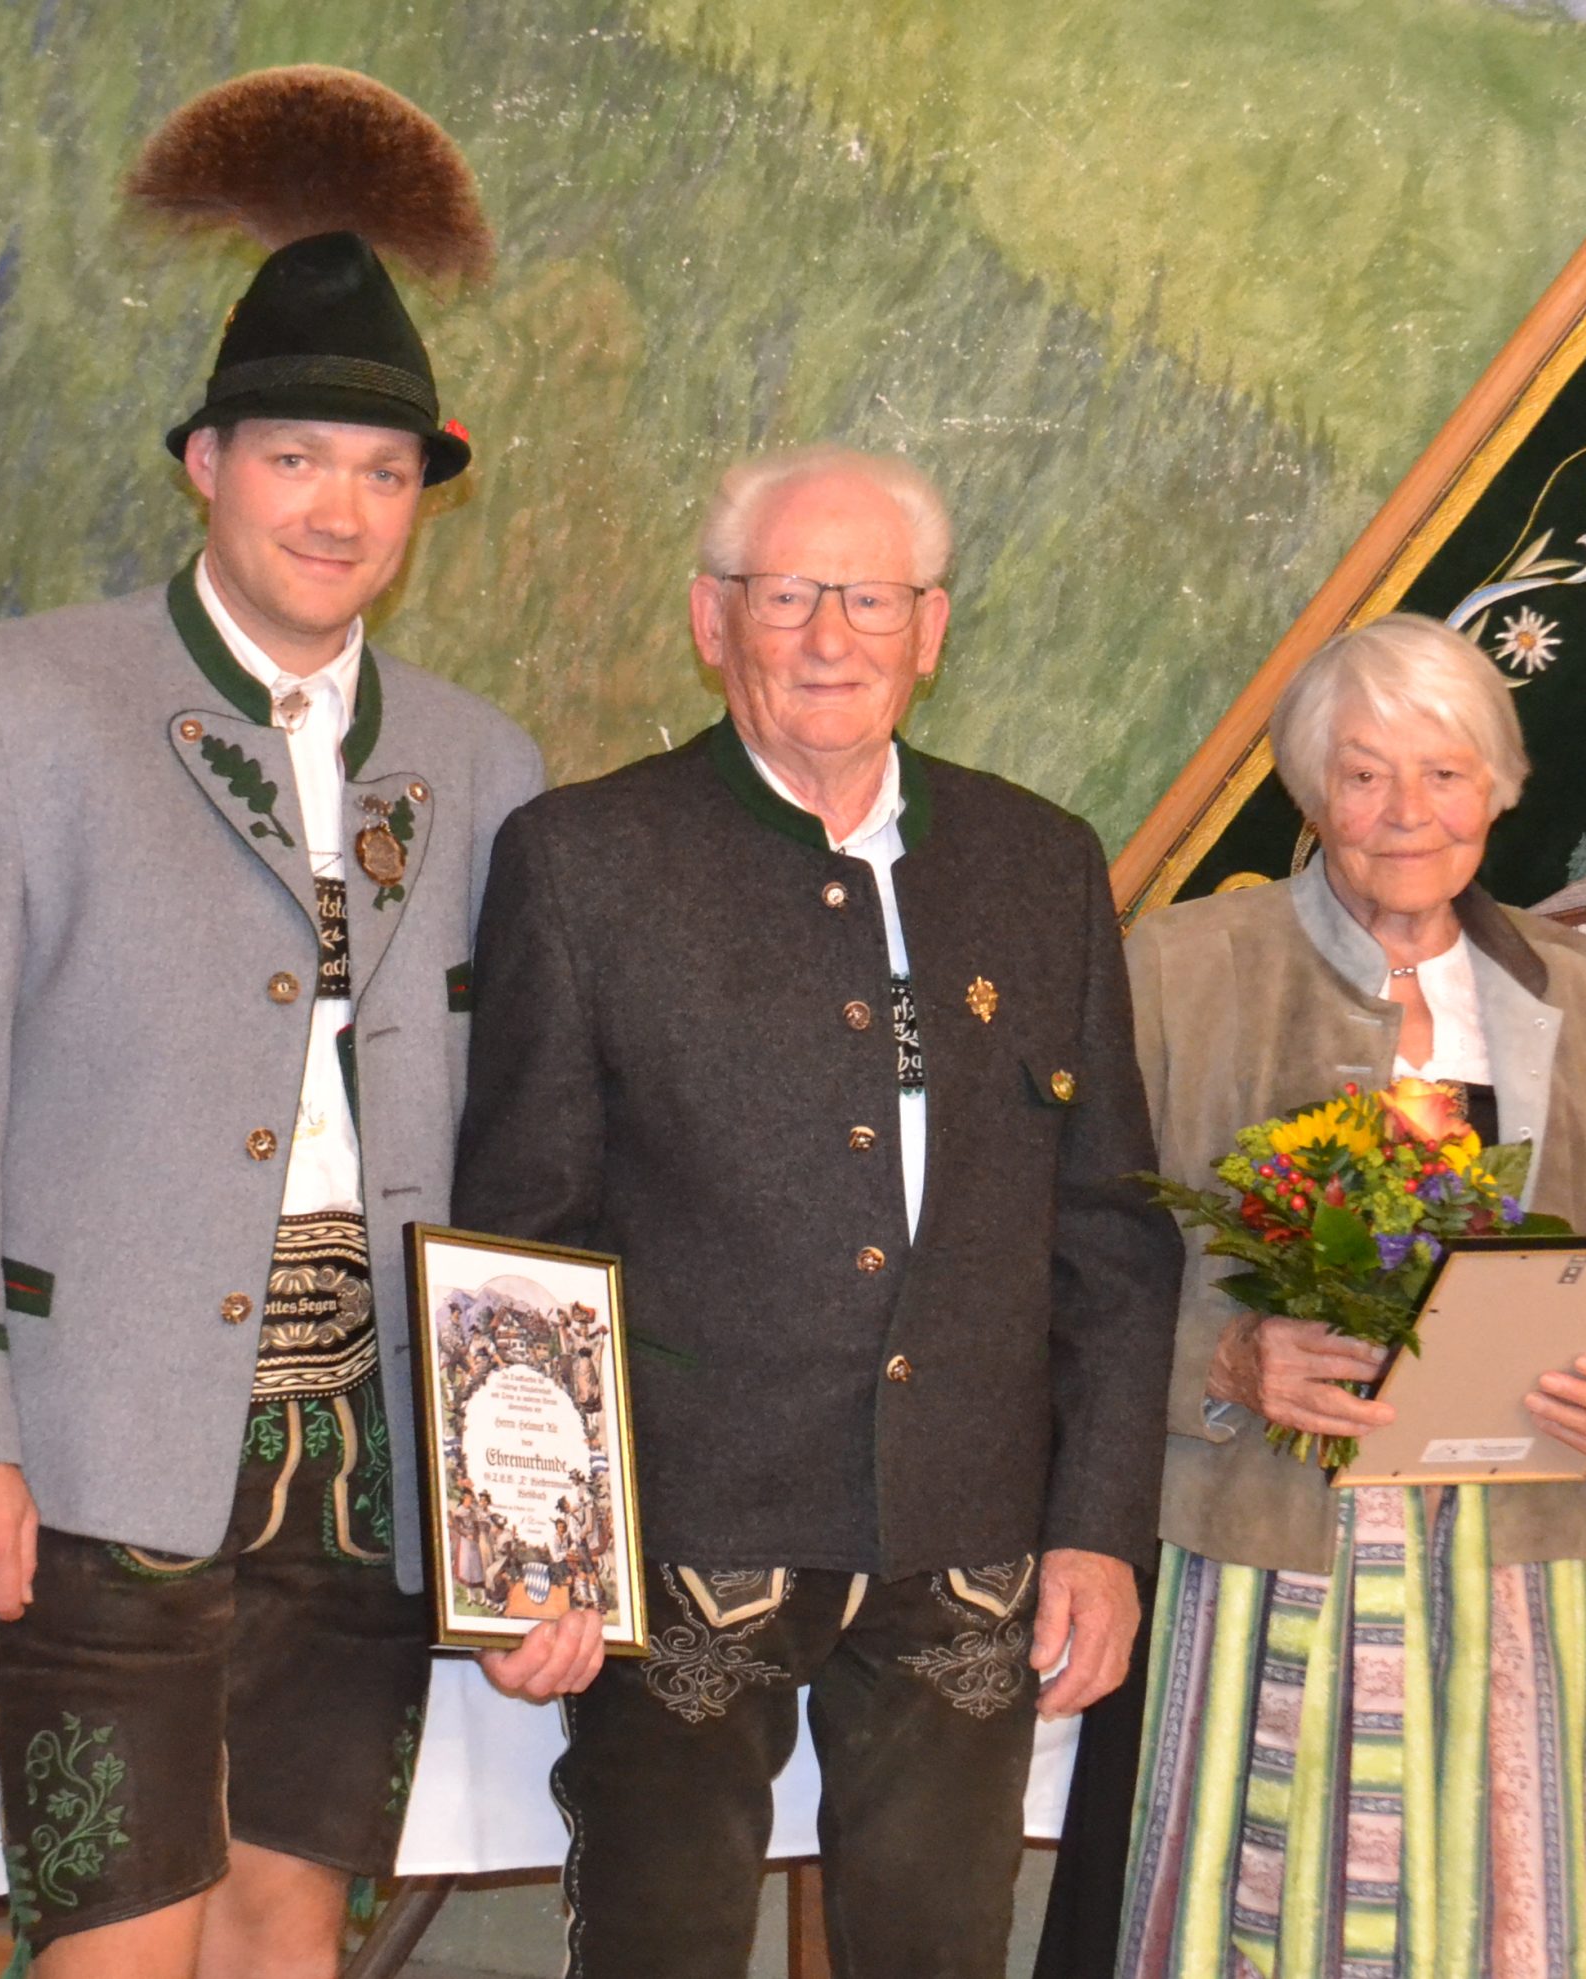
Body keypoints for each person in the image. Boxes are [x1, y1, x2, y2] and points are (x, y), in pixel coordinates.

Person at [0, 70, 591, 1979]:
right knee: (117, 1941)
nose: (340, 507)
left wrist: (539, 1512)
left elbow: (524, 1132)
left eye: (384, 472)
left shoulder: (481, 758)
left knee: (286, 1935)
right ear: (206, 464)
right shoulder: (22, 699)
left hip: (371, 1453)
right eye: (297, 459)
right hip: (101, 1438)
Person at [452, 443, 1179, 1978]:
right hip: (683, 1529)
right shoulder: (584, 859)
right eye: (787, 596)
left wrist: (1100, 1528)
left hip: (968, 1534)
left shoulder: (1042, 863)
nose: (829, 636)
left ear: (932, 627)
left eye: (869, 598)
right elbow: (524, 1233)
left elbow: (1110, 1235)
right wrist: (532, 1555)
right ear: (712, 619)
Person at [1101, 612, 1586, 1976]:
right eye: (1364, 774)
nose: (1407, 811)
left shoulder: (1571, 985)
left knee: (1494, 1923)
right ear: (1313, 795)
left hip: (1510, 1574)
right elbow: (1080, 1265)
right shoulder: (1184, 965)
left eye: (1444, 771)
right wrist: (1221, 1360)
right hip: (1266, 1552)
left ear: (1498, 787)